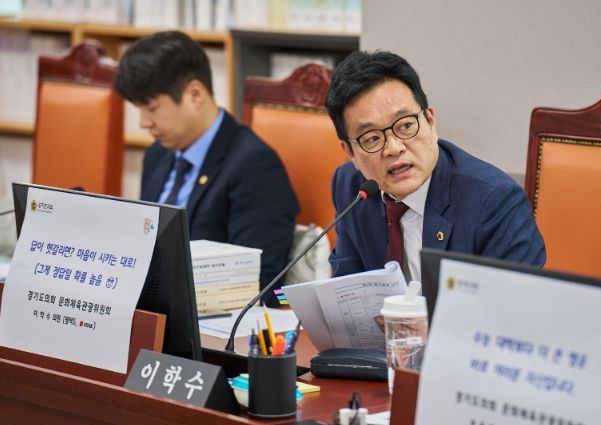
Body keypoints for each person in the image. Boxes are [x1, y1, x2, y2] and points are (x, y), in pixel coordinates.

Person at [325, 50, 545, 281]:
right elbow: (347, 288)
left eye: (406, 126)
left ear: (430, 121)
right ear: (350, 152)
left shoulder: (495, 201)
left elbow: (512, 299)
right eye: (372, 138)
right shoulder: (351, 188)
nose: (394, 148)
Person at [114, 31, 299, 304]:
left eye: (151, 108)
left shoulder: (255, 166)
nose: (143, 122)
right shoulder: (157, 155)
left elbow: (259, 284)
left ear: (195, 94)